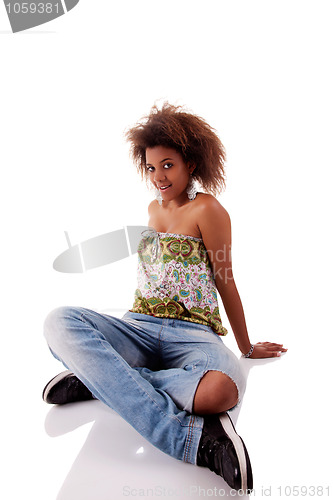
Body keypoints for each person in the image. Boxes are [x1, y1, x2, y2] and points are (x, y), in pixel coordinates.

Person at [42, 103, 287, 492]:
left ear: (191, 162)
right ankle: (194, 442)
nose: (159, 176)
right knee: (58, 321)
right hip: (139, 325)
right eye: (152, 167)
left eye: (168, 165)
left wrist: (245, 345)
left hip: (193, 334)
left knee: (221, 390)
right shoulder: (153, 209)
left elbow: (225, 279)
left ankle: (101, 379)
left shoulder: (208, 209)